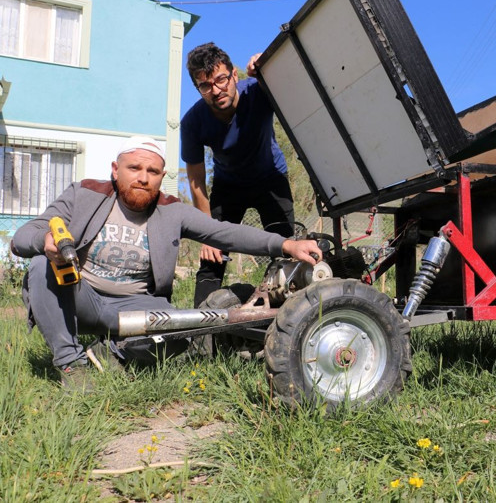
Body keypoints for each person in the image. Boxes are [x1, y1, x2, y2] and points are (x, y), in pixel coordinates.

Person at [11, 137, 322, 392]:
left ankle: (112, 352)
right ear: (116, 169)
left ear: (162, 177)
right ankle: (71, 363)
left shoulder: (172, 210)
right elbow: (24, 236)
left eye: (153, 171)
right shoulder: (84, 193)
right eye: (134, 168)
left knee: (183, 330)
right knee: (41, 265)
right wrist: (46, 242)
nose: (143, 178)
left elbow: (225, 232)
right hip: (81, 298)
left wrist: (285, 244)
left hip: (134, 305)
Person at [181, 42, 294, 308]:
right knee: (211, 258)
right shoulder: (192, 122)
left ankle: (283, 316)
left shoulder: (259, 91)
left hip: (271, 178)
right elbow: (196, 180)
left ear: (234, 75)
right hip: (228, 185)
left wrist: (267, 65)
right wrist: (206, 233)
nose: (216, 90)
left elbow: (295, 80)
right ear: (198, 89)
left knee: (287, 250)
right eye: (206, 85)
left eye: (221, 79)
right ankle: (201, 333)